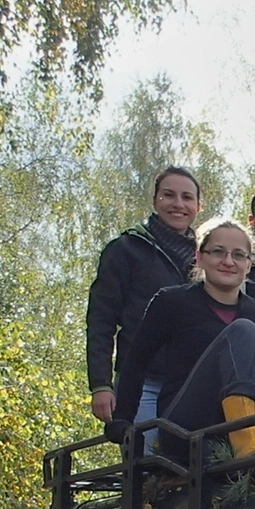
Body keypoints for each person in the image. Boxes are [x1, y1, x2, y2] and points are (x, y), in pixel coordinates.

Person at [111, 218, 255, 442]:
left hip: (243, 424)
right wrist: (122, 418)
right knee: (243, 331)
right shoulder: (172, 302)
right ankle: (245, 444)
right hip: (184, 427)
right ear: (199, 257)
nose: (228, 261)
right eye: (218, 252)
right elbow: (135, 363)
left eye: (239, 255)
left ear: (249, 264)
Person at [85, 166, 203, 424]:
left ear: (198, 206)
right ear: (155, 200)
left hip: (195, 384)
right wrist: (101, 384)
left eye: (187, 197)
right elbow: (101, 320)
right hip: (141, 382)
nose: (178, 204)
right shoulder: (127, 249)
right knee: (147, 449)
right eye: (169, 195)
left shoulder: (211, 257)